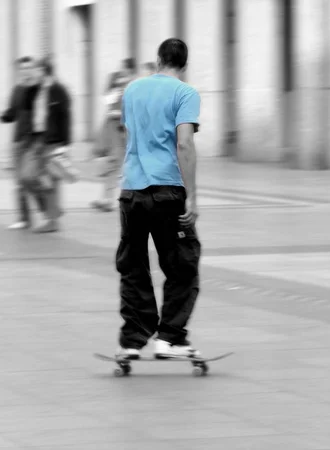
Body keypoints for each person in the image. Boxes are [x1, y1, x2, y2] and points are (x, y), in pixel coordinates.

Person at [115, 38, 202, 360]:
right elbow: (184, 145)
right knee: (183, 264)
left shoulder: (132, 90)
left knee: (133, 266)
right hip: (167, 191)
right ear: (185, 63)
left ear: (158, 59)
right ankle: (170, 338)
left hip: (132, 190)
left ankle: (132, 340)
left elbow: (129, 133)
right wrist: (192, 196)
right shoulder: (185, 93)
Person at [0, 56, 48, 230]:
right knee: (19, 182)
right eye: (22, 69)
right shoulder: (16, 90)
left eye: (29, 68)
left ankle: (45, 212)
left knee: (28, 177)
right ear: (19, 71)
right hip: (17, 141)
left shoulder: (38, 89)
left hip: (34, 140)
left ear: (33, 69)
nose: (25, 71)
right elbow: (11, 115)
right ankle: (24, 218)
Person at [20, 57, 72, 233]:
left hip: (53, 141)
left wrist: (65, 144)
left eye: (36, 70)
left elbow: (66, 118)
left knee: (51, 180)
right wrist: (28, 84)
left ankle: (52, 221)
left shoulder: (59, 90)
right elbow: (25, 106)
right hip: (36, 139)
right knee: (26, 176)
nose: (33, 73)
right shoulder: (35, 89)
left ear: (44, 71)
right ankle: (51, 210)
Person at [91, 67, 134, 212]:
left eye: (123, 78)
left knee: (115, 167)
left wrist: (118, 114)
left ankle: (108, 199)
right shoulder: (117, 93)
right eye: (119, 78)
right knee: (112, 168)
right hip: (111, 133)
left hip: (120, 133)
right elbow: (107, 101)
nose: (121, 81)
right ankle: (106, 198)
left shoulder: (128, 94)